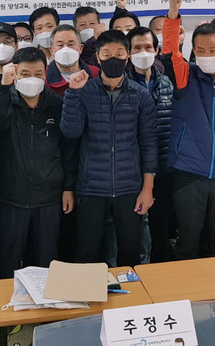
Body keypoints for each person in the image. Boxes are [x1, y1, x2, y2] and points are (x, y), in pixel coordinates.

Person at [60, 30, 156, 267]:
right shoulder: (84, 91)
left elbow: (148, 143)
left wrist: (147, 189)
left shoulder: (141, 95)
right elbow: (70, 133)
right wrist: (73, 93)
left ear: (127, 56)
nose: (113, 59)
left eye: (119, 54)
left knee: (130, 254)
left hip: (129, 188)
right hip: (91, 188)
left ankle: (129, 293)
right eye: (107, 54)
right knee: (87, 253)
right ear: (98, 57)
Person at [162, 0, 215, 260]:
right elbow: (170, 53)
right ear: (193, 51)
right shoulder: (185, 77)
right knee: (188, 243)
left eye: (212, 50)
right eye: (200, 51)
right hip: (189, 174)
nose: (206, 55)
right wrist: (173, 14)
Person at [0, 47, 77, 277]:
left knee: (45, 263)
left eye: (38, 74)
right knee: (7, 262)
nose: (32, 79)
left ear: (46, 73)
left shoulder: (57, 104)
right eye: (25, 74)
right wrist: (3, 87)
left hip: (48, 199)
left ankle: (44, 301)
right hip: (9, 198)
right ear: (14, 73)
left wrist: (68, 187)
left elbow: (68, 150)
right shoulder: (2, 99)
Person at [127, 26, 175, 262]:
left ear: (156, 50)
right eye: (137, 48)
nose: (143, 52)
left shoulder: (166, 82)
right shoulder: (123, 84)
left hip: (164, 168)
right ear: (128, 53)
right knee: (135, 232)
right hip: (133, 171)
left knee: (161, 229)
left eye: (147, 47)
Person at [46, 24, 99, 96]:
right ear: (52, 51)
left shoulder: (95, 73)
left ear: (80, 48)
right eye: (60, 45)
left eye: (71, 44)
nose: (65, 49)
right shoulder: (43, 76)